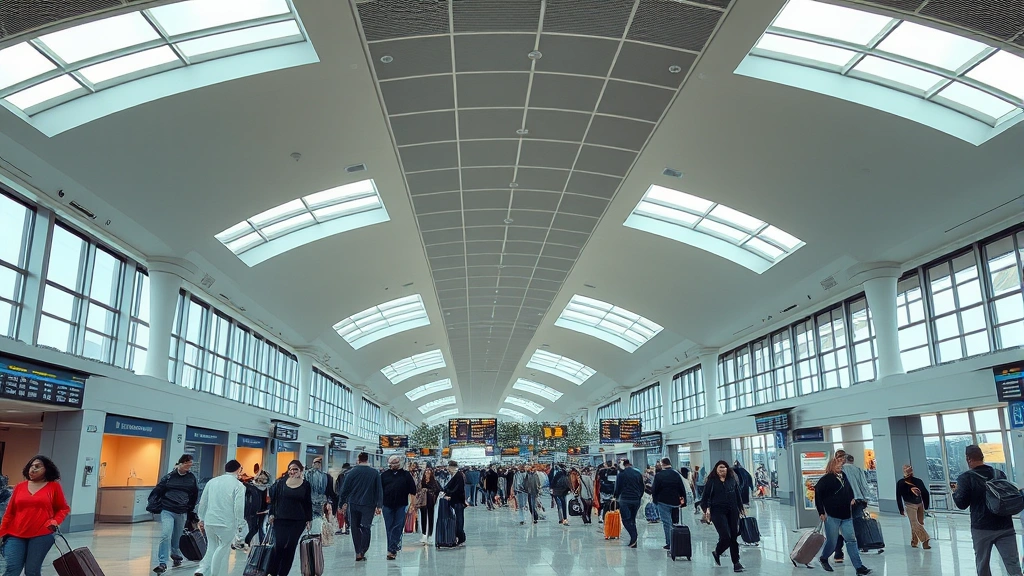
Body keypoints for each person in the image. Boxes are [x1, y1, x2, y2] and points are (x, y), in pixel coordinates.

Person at [953, 444, 1022, 576]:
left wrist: (955, 492)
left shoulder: (965, 478)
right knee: (1013, 565)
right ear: (982, 457)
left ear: (968, 459)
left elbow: (961, 504)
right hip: (1005, 526)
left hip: (981, 528)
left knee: (983, 565)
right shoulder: (999, 473)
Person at [0, 456, 69, 576]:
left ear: (46, 469)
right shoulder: (20, 487)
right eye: (31, 466)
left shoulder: (53, 486)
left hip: (42, 534)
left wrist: (55, 521)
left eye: (37, 466)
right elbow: (9, 513)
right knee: (12, 569)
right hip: (15, 534)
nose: (33, 469)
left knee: (32, 571)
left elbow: (63, 508)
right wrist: (2, 533)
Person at [815, 452, 871, 575]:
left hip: (846, 515)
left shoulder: (844, 476)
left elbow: (849, 489)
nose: (840, 468)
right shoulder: (825, 480)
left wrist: (851, 498)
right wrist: (821, 512)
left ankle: (859, 567)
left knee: (851, 540)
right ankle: (824, 558)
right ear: (832, 466)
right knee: (832, 540)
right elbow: (818, 495)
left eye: (841, 466)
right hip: (832, 514)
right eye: (838, 466)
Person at [148, 454, 199, 573]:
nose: (189, 466)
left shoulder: (191, 478)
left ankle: (176, 554)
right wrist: (153, 504)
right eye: (187, 464)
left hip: (182, 511)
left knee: (177, 537)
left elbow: (195, 494)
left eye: (190, 464)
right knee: (166, 534)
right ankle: (162, 562)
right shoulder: (169, 477)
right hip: (167, 510)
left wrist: (190, 509)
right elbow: (158, 490)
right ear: (180, 463)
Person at [195, 460, 247, 576]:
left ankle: (202, 570)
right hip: (226, 522)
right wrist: (240, 523)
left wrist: (201, 518)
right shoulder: (239, 485)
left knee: (212, 546)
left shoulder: (212, 481)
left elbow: (203, 502)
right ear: (238, 469)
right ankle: (214, 574)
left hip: (210, 520)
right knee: (223, 547)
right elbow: (238, 507)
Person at [268, 460, 312, 576]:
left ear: (301, 470)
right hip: (280, 519)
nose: (292, 471)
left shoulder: (305, 484)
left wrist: (309, 519)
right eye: (290, 469)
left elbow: (308, 503)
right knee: (279, 546)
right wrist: (271, 514)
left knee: (291, 546)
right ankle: (273, 572)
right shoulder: (280, 483)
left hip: (298, 520)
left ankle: (283, 573)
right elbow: (274, 501)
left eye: (295, 469)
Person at [337, 452, 383, 562]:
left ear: (358, 459)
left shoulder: (351, 473)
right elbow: (379, 490)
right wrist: (379, 505)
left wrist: (340, 504)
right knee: (366, 527)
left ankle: (357, 551)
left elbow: (344, 490)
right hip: (368, 504)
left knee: (355, 527)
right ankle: (363, 550)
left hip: (354, 504)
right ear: (367, 459)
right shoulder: (374, 473)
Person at [700, 461, 745, 573]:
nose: (721, 471)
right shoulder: (711, 482)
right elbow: (704, 499)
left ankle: (736, 562)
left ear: (727, 469)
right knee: (726, 536)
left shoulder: (732, 480)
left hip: (733, 510)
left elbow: (738, 495)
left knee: (734, 537)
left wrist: (741, 508)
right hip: (717, 512)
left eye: (723, 468)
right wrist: (706, 510)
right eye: (719, 469)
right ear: (716, 470)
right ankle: (717, 551)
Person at [834, 453, 871, 560]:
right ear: (852, 460)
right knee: (858, 524)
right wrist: (865, 500)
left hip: (843, 502)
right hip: (858, 501)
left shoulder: (840, 471)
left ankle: (838, 553)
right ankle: (862, 546)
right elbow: (864, 485)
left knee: (840, 526)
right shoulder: (858, 470)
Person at [380, 455, 416, 560]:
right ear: (389, 464)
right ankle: (392, 548)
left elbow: (413, 491)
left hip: (401, 505)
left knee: (398, 526)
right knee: (389, 527)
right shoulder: (384, 475)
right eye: (393, 463)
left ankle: (392, 549)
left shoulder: (406, 475)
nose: (395, 465)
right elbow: (379, 491)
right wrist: (377, 505)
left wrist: (412, 505)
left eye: (396, 463)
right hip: (387, 505)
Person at [652, 457, 687, 551]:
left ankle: (670, 543)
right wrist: (683, 500)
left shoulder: (659, 475)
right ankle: (677, 540)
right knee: (675, 522)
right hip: (675, 502)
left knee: (667, 523)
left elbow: (655, 489)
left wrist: (654, 500)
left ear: (662, 464)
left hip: (663, 501)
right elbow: (681, 487)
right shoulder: (677, 474)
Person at [896, 464, 930, 549]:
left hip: (911, 505)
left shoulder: (901, 483)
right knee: (918, 523)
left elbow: (898, 496)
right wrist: (926, 505)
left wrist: (901, 509)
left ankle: (921, 539)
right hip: (918, 504)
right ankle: (918, 541)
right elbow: (925, 493)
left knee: (915, 523)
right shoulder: (917, 481)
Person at [612, 459, 644, 548]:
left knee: (626, 520)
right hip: (636, 500)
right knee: (632, 520)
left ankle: (634, 537)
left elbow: (617, 487)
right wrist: (639, 496)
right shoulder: (638, 473)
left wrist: (615, 496)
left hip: (625, 499)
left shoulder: (621, 474)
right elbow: (642, 487)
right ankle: (633, 541)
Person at [304, 456, 335, 535]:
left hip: (319, 502)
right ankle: (313, 533)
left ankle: (315, 534)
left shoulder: (325, 476)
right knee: (313, 519)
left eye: (319, 463)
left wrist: (328, 501)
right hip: (311, 501)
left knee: (318, 519)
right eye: (316, 463)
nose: (317, 465)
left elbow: (329, 490)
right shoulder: (308, 474)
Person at [242, 470, 271, 551]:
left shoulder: (267, 488)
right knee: (254, 528)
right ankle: (246, 542)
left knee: (261, 528)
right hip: (252, 511)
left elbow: (269, 500)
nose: (263, 479)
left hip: (263, 510)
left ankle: (262, 546)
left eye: (265, 478)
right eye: (262, 478)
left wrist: (268, 509)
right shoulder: (250, 487)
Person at [442, 461, 467, 546]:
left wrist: (448, 493)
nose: (448, 469)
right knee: (457, 520)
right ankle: (458, 537)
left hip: (458, 501)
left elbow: (457, 489)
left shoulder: (458, 476)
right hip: (456, 501)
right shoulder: (454, 475)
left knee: (459, 520)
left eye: (449, 467)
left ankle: (461, 538)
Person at [418, 467, 442, 544]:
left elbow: (439, 490)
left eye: (429, 472)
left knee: (430, 517)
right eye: (426, 472)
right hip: (423, 502)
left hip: (430, 502)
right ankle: (424, 534)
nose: (427, 473)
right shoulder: (421, 482)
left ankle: (430, 534)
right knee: (423, 518)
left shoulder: (435, 482)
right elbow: (417, 490)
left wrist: (433, 496)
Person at [334, 463, 351, 535]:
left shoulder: (341, 475)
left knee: (342, 512)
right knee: (348, 512)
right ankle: (347, 527)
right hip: (351, 497)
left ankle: (343, 528)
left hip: (343, 496)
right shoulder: (352, 474)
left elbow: (338, 488)